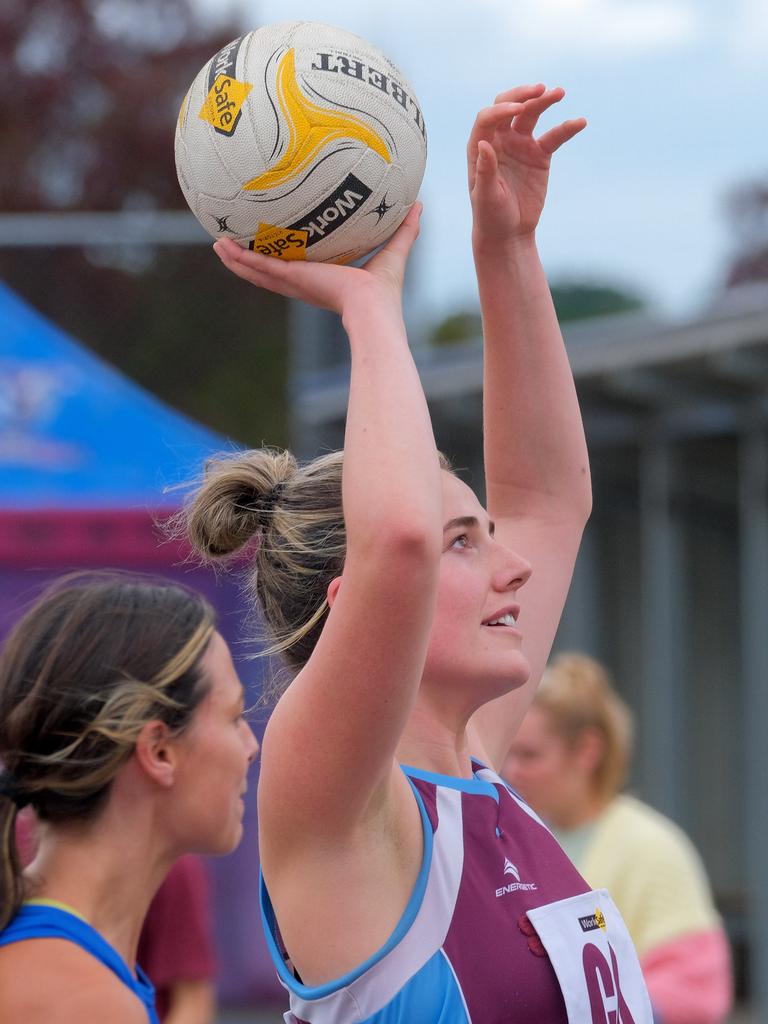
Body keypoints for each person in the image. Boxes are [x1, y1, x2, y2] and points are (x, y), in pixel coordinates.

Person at [182, 85, 653, 1022]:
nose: (511, 564)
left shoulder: (475, 767)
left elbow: (550, 501)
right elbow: (397, 538)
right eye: (464, 544)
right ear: (355, 597)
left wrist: (506, 248)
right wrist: (368, 307)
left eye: (483, 536)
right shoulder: (344, 805)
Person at [0, 572, 259, 1024]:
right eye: (235, 716)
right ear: (158, 751)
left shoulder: (73, 974)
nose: (251, 745)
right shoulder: (82, 1002)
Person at [503, 652, 733, 1024]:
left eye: (530, 755)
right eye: (509, 753)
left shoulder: (651, 846)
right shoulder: (521, 838)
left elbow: (696, 992)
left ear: (588, 750)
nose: (511, 771)